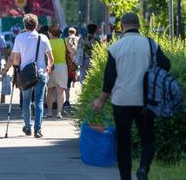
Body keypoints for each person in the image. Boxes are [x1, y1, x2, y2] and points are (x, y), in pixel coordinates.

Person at [92, 12, 171, 180]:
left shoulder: (115, 48)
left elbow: (109, 79)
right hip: (145, 100)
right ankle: (143, 168)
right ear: (139, 25)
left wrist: (101, 100)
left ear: (121, 27)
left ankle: (125, 178)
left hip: (121, 101)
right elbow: (166, 65)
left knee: (123, 143)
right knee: (148, 139)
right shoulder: (150, 44)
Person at [5, 13, 54, 138]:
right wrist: (48, 67)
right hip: (40, 73)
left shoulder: (19, 38)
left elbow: (16, 58)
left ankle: (27, 126)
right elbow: (51, 58)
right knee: (39, 101)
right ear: (36, 25)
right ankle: (38, 129)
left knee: (26, 101)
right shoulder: (43, 38)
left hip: (26, 74)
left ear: (24, 25)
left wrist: (15, 72)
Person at [46, 24, 75, 119]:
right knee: (60, 91)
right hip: (62, 67)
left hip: (51, 66)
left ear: (50, 33)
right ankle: (59, 113)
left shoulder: (48, 42)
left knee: (50, 90)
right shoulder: (64, 41)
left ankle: (49, 112)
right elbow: (72, 52)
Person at [64, 27, 79, 108]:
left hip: (67, 64)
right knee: (71, 81)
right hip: (75, 64)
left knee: (67, 84)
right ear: (75, 32)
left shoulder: (65, 40)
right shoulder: (78, 39)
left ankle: (67, 101)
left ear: (68, 32)